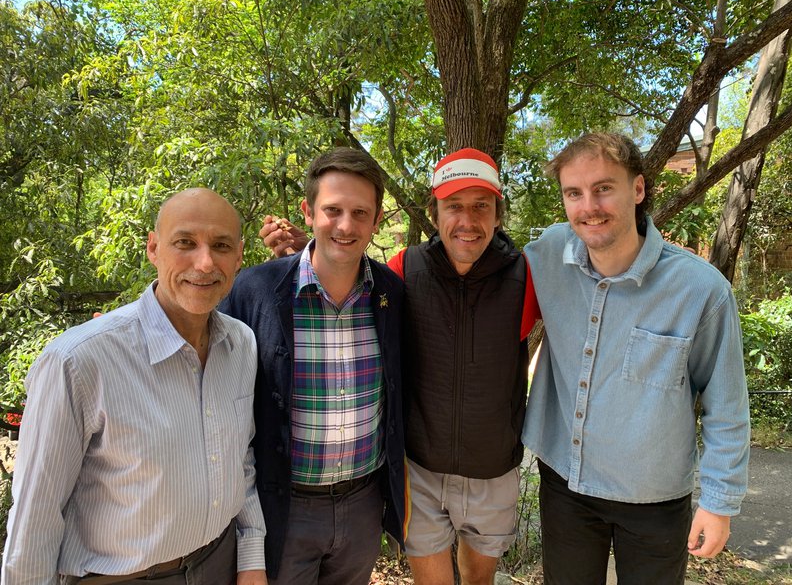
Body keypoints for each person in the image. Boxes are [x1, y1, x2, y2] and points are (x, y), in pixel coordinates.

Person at [261, 147, 539, 585]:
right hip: (419, 469)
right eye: (454, 206)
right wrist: (308, 250)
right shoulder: (404, 270)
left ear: (498, 214)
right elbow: (346, 272)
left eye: (481, 206)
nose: (467, 221)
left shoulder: (527, 276)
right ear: (434, 211)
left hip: (494, 469)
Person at [2, 189, 267, 585]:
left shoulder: (241, 343)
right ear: (153, 248)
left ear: (239, 256)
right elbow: (35, 519)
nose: (205, 262)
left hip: (220, 562)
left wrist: (250, 555)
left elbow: (239, 459)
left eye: (221, 246)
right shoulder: (78, 362)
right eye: (185, 242)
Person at [523, 132, 750, 584]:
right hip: (565, 483)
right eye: (574, 193)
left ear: (639, 188)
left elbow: (726, 405)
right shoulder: (547, 253)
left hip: (654, 498)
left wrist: (719, 502)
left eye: (604, 188)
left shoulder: (701, 290)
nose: (589, 206)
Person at [218, 148, 406, 585]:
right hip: (283, 505)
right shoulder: (257, 290)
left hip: (363, 504)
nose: (346, 226)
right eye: (332, 210)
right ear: (308, 211)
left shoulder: (391, 294)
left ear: (376, 220)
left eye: (360, 213)